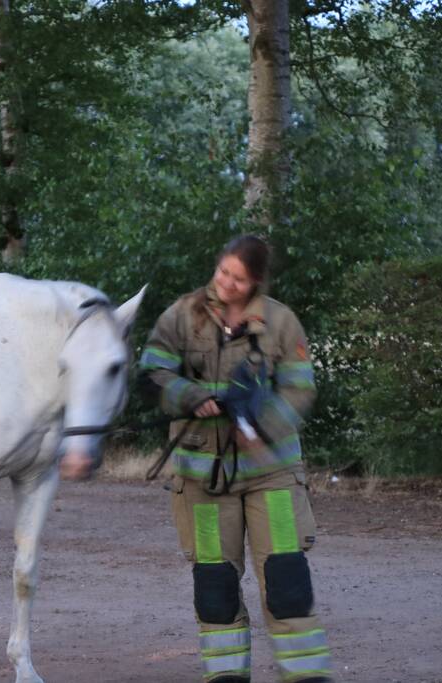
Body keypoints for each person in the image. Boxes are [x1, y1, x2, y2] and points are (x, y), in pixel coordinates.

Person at [139, 235, 333, 683]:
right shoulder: (181, 315)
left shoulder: (281, 322)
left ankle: (306, 677)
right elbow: (151, 372)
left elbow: (300, 389)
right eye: (223, 272)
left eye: (238, 278)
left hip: (273, 477)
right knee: (215, 588)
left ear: (256, 282)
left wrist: (258, 426)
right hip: (204, 481)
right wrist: (189, 395)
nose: (226, 283)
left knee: (287, 583)